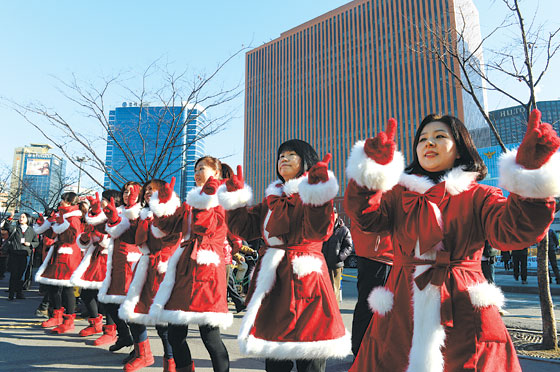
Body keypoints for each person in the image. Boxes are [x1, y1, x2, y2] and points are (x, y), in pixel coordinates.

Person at [344, 110, 559, 372]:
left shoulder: (481, 195)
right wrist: (370, 175)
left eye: (439, 136)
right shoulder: (397, 195)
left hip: (462, 308)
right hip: (401, 309)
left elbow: (514, 232)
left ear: (459, 149)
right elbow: (365, 219)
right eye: (422, 139)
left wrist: (529, 173)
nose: (428, 143)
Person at [218, 140, 350, 372]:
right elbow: (244, 228)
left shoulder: (311, 196)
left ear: (306, 161)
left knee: (309, 355)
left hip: (306, 279)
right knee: (275, 358)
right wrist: (235, 199)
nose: (284, 159)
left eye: (291, 155)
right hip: (275, 281)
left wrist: (318, 193)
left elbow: (322, 230)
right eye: (281, 156)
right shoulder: (271, 200)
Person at [149, 156, 232, 372]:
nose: (197, 173)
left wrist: (207, 197)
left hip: (207, 270)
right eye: (195, 169)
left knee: (210, 336)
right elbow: (166, 226)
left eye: (202, 168)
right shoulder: (190, 202)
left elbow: (204, 226)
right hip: (184, 269)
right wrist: (163, 203)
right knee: (175, 334)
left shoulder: (223, 199)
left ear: (216, 173)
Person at [119, 179, 180, 372]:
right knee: (134, 313)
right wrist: (120, 219)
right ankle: (143, 354)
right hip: (145, 267)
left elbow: (175, 239)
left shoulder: (171, 212)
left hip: (164, 268)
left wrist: (163, 259)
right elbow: (131, 237)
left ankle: (170, 361)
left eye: (152, 190)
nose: (147, 192)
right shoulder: (143, 214)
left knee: (163, 321)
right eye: (146, 190)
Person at [70, 190, 120, 346]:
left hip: (109, 259)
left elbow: (113, 238)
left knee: (106, 297)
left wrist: (99, 236)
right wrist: (86, 237)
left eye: (105, 199)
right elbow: (88, 239)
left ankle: (111, 331)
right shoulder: (98, 218)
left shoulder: (119, 216)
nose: (102, 202)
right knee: (87, 293)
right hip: (95, 258)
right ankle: (95, 323)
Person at [98, 182, 142, 353]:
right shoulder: (121, 211)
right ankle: (124, 335)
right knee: (109, 301)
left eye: (131, 191)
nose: (126, 194)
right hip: (116, 261)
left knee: (129, 307)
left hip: (131, 262)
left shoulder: (141, 211)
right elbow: (105, 230)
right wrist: (96, 212)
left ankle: (140, 348)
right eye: (125, 191)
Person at [35, 192, 83, 334]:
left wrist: (60, 224)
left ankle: (68, 320)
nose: (61, 202)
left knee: (67, 288)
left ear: (70, 203)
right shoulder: (62, 217)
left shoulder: (73, 218)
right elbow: (52, 234)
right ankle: (56, 315)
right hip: (58, 254)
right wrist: (46, 225)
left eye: (64, 200)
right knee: (53, 286)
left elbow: (72, 238)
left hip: (68, 256)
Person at [349, 229, 392, 357]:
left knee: (369, 306)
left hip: (379, 252)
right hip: (379, 254)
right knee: (371, 307)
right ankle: (362, 351)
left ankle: (362, 350)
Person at [321, 207, 353, 302]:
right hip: (324, 265)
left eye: (333, 214)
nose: (331, 216)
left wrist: (340, 257)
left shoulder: (344, 230)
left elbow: (349, 246)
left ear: (336, 215)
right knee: (324, 290)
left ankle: (334, 312)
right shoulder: (324, 229)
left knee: (334, 290)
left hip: (336, 265)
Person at [4, 213, 39, 300]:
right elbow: (7, 226)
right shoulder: (15, 228)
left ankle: (19, 293)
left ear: (28, 219)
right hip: (15, 254)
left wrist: (30, 244)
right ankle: (11, 294)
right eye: (20, 217)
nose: (21, 218)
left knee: (21, 275)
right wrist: (10, 218)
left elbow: (36, 242)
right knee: (14, 274)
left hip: (25, 254)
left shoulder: (31, 230)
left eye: (23, 217)